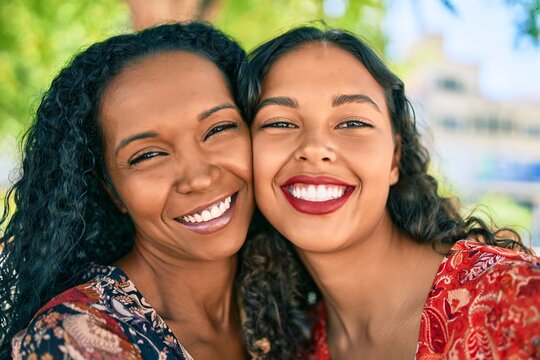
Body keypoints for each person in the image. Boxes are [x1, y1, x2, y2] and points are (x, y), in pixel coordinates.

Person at [238, 25, 540, 359]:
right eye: (280, 123)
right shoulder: (294, 347)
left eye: (352, 123)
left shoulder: (518, 297)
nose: (315, 148)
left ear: (395, 157)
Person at [0, 22, 254, 359]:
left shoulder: (293, 293)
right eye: (147, 155)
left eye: (219, 128)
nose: (199, 178)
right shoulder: (72, 339)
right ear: (111, 190)